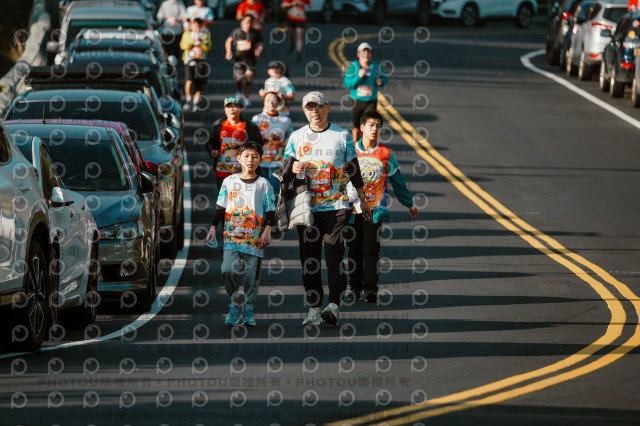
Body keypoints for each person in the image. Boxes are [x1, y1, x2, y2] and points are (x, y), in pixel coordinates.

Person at [282, 91, 372, 327]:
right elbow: (284, 170)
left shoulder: (342, 135)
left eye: (319, 106)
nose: (315, 111)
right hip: (307, 208)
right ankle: (314, 308)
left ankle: (333, 305)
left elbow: (353, 168)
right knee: (309, 260)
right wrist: (292, 168)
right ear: (305, 111)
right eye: (310, 107)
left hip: (337, 206)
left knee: (334, 255)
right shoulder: (297, 137)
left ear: (327, 107)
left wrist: (362, 199)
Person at [345, 110, 418, 303]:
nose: (374, 129)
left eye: (378, 126)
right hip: (351, 210)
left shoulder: (386, 154)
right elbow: (338, 179)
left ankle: (370, 289)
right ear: (362, 127)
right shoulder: (350, 151)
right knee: (354, 250)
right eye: (371, 125)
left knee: (371, 249)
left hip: (375, 210)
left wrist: (408, 202)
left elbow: (398, 180)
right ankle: (355, 288)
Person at [207, 141, 276, 326]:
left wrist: (268, 229)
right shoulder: (229, 182)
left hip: (255, 238)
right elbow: (220, 207)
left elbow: (271, 210)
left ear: (260, 160)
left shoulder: (264, 185)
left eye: (254, 157)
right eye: (246, 156)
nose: (250, 160)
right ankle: (236, 302)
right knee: (227, 269)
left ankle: (249, 310)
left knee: (250, 277)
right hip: (232, 236)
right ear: (239, 159)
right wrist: (213, 227)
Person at [207, 95, 264, 189]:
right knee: (225, 197)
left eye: (235, 106)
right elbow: (210, 142)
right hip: (223, 170)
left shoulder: (250, 127)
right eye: (229, 107)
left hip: (244, 170)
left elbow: (259, 145)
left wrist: (244, 144)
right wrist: (212, 150)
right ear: (225, 110)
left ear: (240, 109)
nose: (232, 109)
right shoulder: (218, 125)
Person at [343, 42, 388, 143]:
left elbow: (384, 78)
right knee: (357, 127)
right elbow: (347, 84)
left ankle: (367, 146)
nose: (366, 55)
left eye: (368, 52)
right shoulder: (354, 67)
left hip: (371, 100)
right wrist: (358, 77)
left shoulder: (376, 66)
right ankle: (355, 147)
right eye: (363, 52)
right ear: (358, 54)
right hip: (357, 100)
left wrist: (381, 82)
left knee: (370, 124)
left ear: (371, 54)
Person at [251, 91, 294, 195]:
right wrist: (263, 138)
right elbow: (251, 139)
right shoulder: (256, 119)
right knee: (260, 190)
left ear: (278, 102)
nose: (271, 103)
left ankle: (274, 206)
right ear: (264, 102)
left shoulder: (286, 120)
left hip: (277, 161)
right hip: (260, 161)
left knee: (274, 189)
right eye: (268, 100)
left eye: (274, 100)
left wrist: (285, 142)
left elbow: (292, 138)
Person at [225, 14, 264, 103]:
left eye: (250, 22)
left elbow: (260, 44)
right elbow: (228, 41)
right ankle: (239, 92)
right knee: (239, 77)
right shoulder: (236, 32)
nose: (248, 24)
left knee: (249, 76)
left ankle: (246, 96)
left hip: (250, 59)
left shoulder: (255, 33)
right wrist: (228, 51)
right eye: (246, 22)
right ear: (242, 22)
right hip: (238, 59)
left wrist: (258, 50)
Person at [179, 17, 212, 111]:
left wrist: (201, 42)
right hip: (189, 60)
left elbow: (208, 47)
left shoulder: (205, 34)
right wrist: (192, 40)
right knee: (189, 80)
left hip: (201, 60)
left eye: (198, 26)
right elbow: (183, 46)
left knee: (199, 83)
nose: (196, 28)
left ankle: (195, 103)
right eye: (194, 26)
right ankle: (188, 99)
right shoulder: (187, 34)